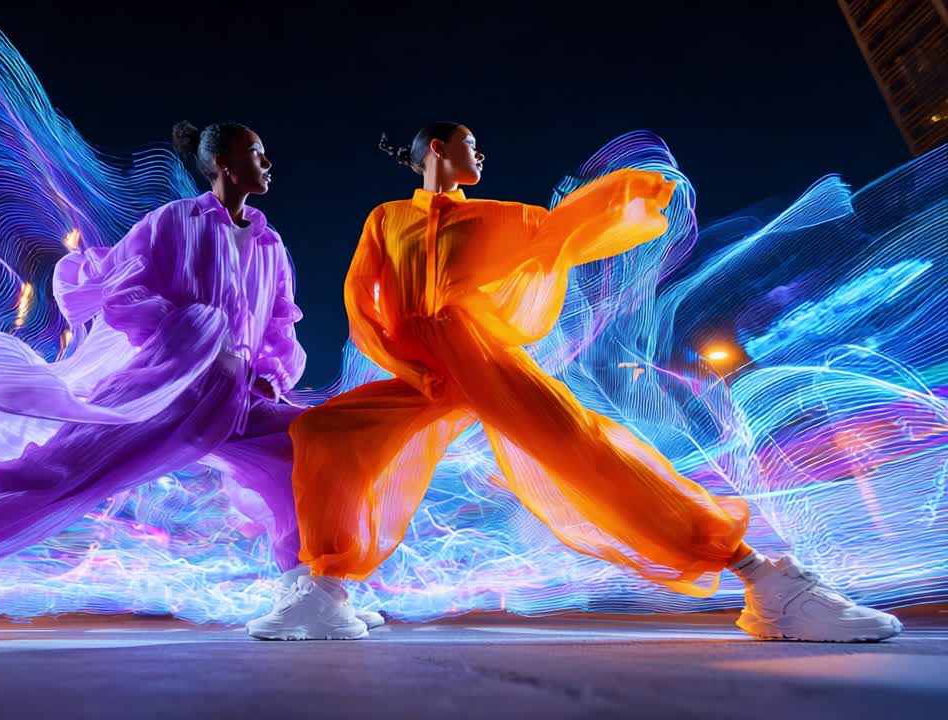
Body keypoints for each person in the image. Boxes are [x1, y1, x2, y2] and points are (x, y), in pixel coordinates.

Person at [247, 122, 903, 643]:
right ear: (439, 150)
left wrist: (629, 195)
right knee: (327, 429)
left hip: (480, 354)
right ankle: (327, 588)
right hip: (427, 368)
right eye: (472, 143)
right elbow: (362, 296)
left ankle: (767, 583)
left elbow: (565, 233)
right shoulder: (389, 217)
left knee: (583, 449)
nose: (482, 152)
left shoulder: (502, 216)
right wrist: (401, 358)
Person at [0, 121, 380, 638]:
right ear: (221, 161)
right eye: (254, 153)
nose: (268, 163)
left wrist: (269, 371)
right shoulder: (172, 223)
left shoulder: (270, 243)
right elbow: (120, 291)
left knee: (313, 449)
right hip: (165, 390)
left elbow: (279, 320)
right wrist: (197, 333)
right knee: (51, 474)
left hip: (240, 396)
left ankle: (313, 591)